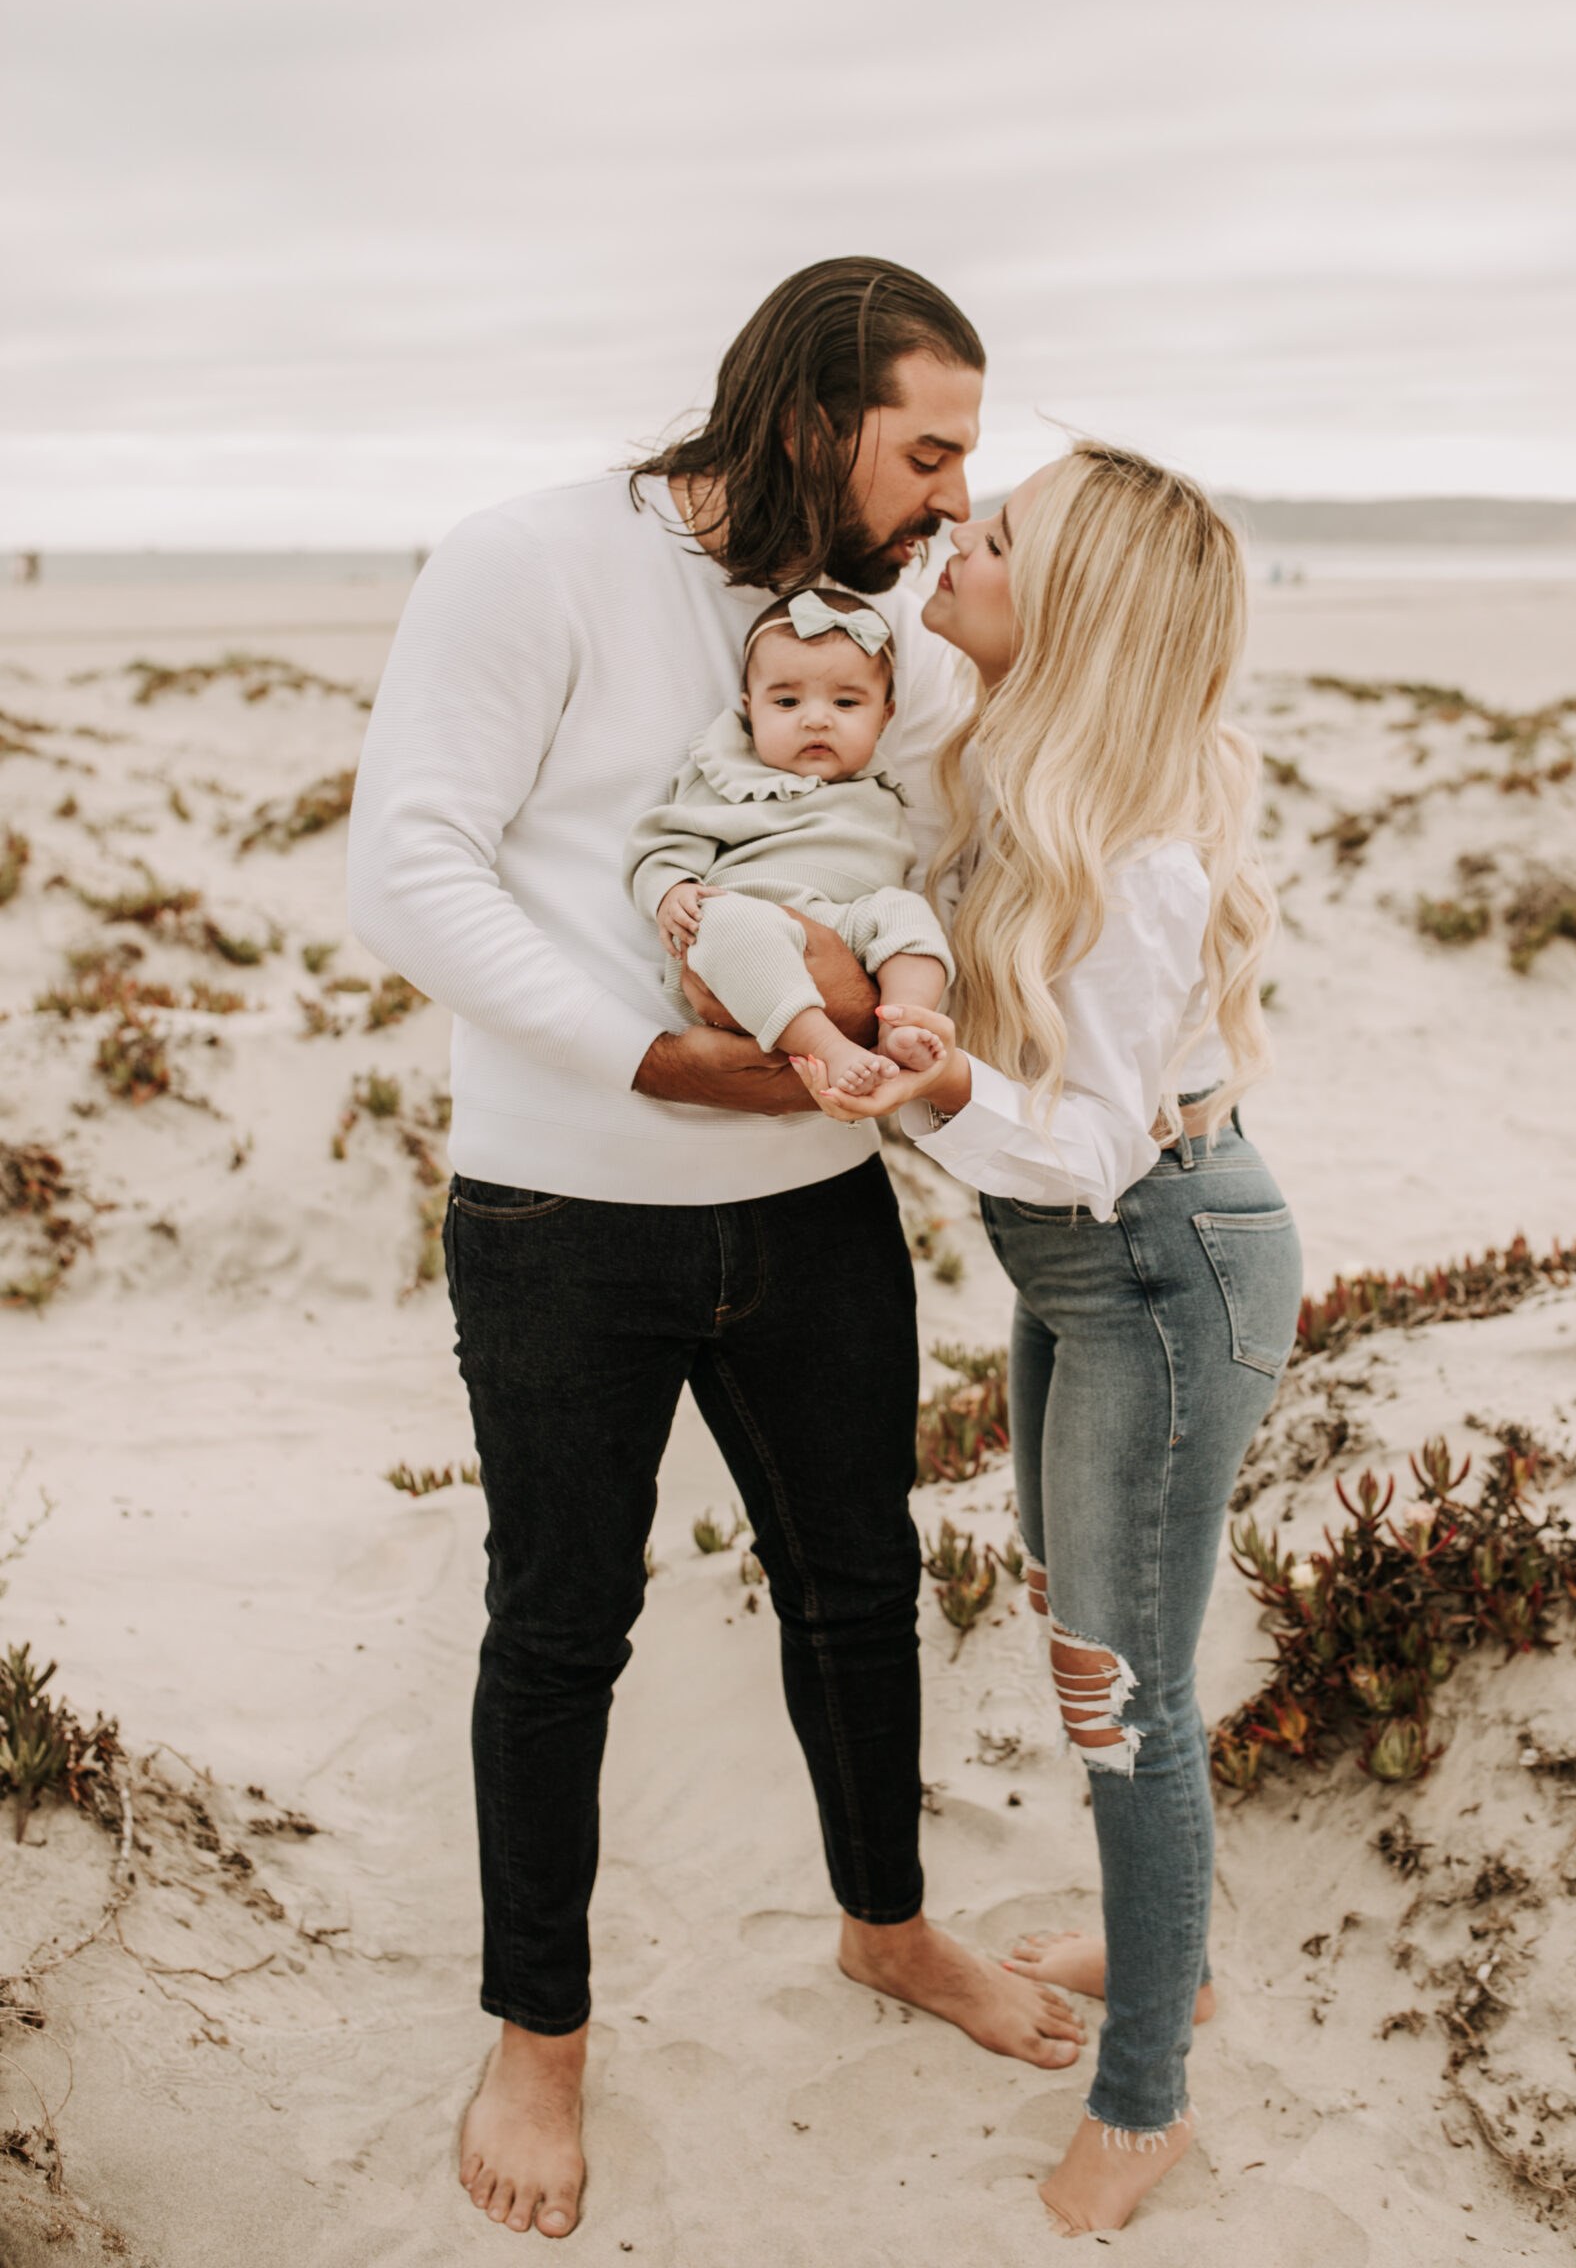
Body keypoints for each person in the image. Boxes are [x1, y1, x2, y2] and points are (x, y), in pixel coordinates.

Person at [346, 259, 1085, 2246]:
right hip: (558, 1210)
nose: (948, 495)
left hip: (812, 1203)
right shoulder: (526, 561)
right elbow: (406, 856)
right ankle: (540, 2035)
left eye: (967, 466)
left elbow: (990, 757)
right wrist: (653, 1053)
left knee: (857, 1585)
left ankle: (888, 1924)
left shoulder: (874, 624)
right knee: (559, 1623)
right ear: (805, 413)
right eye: (924, 449)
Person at [793, 442, 1304, 2239]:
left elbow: (1086, 1151)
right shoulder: (1011, 753)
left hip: (1157, 1271)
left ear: (1068, 605)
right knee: (1089, 1642)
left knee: (1122, 1700)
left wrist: (914, 1081)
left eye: (992, 531)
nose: (954, 532)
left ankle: (1148, 2087)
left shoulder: (1137, 853)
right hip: (1089, 1283)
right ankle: (1168, 1951)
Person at [625, 585, 952, 1095]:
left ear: (884, 717)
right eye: (786, 700)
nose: (816, 717)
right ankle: (828, 1046)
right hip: (750, 926)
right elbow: (662, 843)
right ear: (749, 708)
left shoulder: (881, 787)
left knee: (907, 912)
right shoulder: (726, 773)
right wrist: (672, 890)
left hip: (848, 926)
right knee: (723, 920)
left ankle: (902, 1022)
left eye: (846, 701)